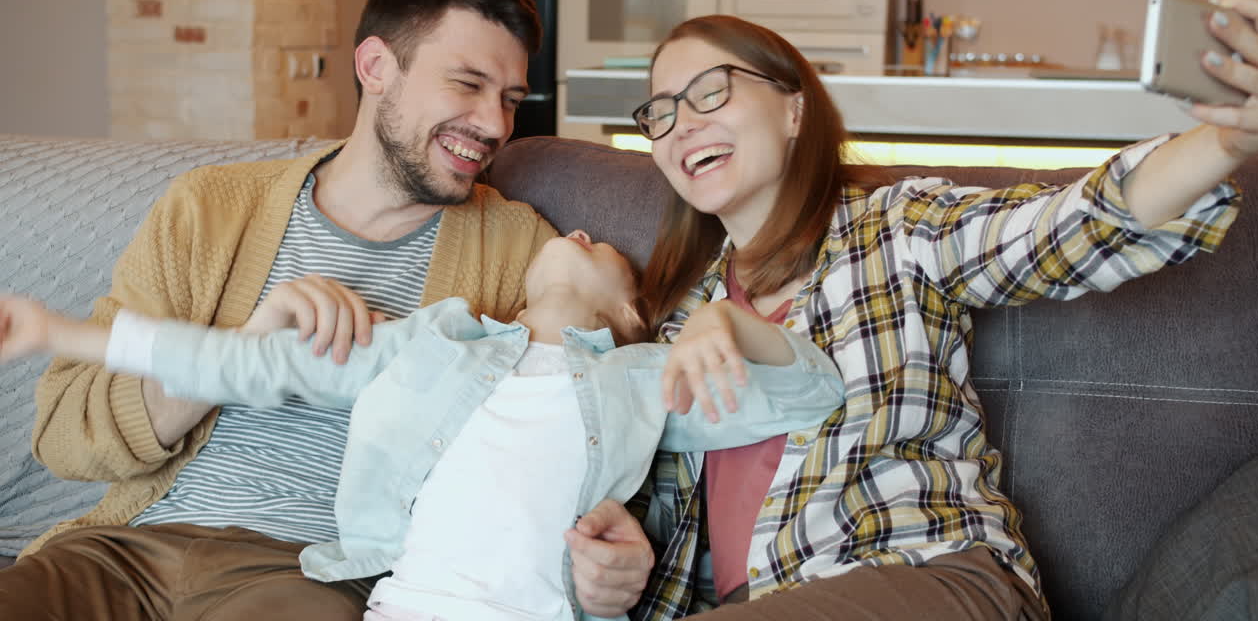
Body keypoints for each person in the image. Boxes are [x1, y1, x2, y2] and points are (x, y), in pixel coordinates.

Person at [566, 0, 1258, 619]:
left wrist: (1226, 140)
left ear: (794, 108)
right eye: (660, 111)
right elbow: (650, 516)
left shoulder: (899, 229)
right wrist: (619, 561)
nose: (682, 122)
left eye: (711, 91)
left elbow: (1065, 229)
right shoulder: (677, 319)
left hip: (922, 573)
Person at [0, 0, 560, 619]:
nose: (495, 124)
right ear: (377, 66)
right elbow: (65, 434)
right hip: (121, 553)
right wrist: (243, 347)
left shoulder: (519, 247)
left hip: (307, 572)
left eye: (510, 99)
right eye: (467, 84)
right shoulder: (209, 208)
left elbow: (570, 420)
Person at [0, 229, 846, 621]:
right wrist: (55, 332)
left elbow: (816, 394)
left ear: (629, 309)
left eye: (600, 248)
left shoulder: (643, 379)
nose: (581, 231)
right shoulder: (432, 340)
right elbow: (242, 367)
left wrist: (722, 325)